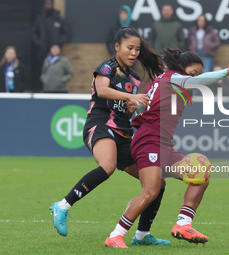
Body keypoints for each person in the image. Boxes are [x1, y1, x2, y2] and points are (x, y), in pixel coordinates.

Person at [105, 48, 229, 248]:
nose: (193, 78)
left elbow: (145, 105)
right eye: (192, 73)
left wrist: (135, 108)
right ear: (181, 68)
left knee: (200, 175)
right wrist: (225, 72)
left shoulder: (162, 80)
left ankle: (182, 224)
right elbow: (198, 82)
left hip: (162, 143)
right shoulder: (175, 78)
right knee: (151, 190)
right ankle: (115, 236)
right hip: (149, 140)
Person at [49, 27, 170, 246]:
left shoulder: (133, 77)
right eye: (129, 48)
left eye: (137, 49)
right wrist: (130, 96)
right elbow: (102, 90)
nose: (133, 53)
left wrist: (132, 106)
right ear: (117, 47)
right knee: (108, 166)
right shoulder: (107, 67)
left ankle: (142, 235)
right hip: (100, 124)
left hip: (123, 133)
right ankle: (63, 205)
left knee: (158, 183)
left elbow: (125, 108)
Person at [32, 0, 70, 92]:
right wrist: (39, 44)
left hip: (56, 53)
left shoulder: (59, 19)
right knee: (42, 71)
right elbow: (34, 34)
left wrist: (58, 44)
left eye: (50, 3)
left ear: (53, 5)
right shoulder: (40, 18)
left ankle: (57, 89)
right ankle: (42, 89)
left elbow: (65, 34)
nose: (48, 5)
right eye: (46, 3)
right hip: (42, 52)